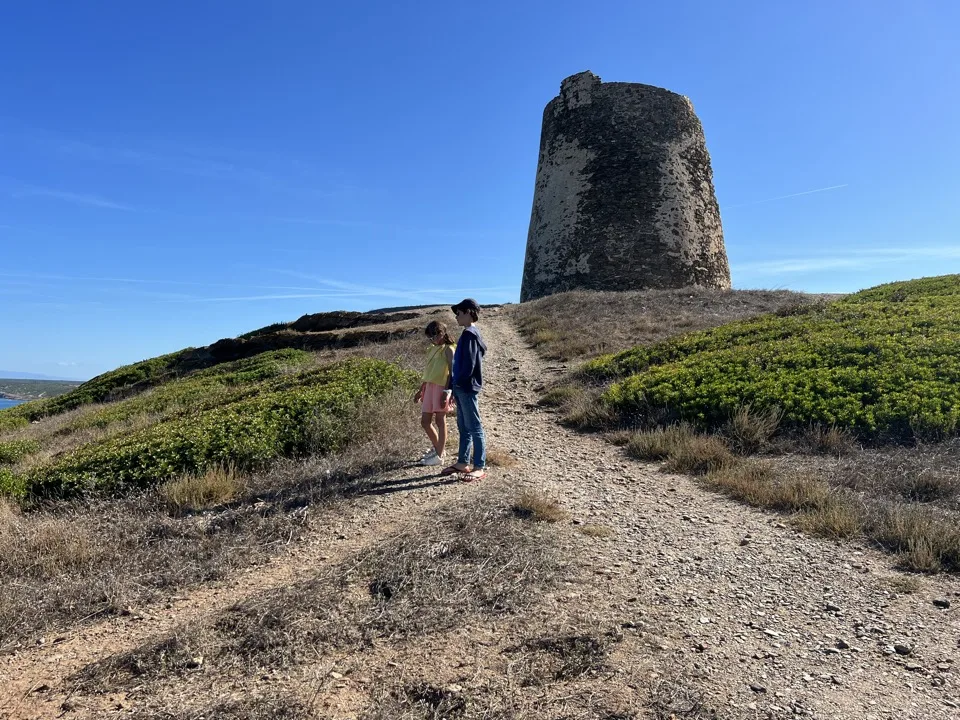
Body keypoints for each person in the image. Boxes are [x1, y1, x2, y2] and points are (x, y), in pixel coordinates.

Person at [441, 298, 488, 481]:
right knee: (463, 426)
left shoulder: (469, 334)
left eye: (459, 313)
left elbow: (468, 365)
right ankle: (462, 462)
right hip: (462, 386)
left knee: (474, 427)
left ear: (469, 312)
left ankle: (479, 466)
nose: (456, 317)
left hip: (466, 387)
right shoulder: (469, 333)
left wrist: (456, 383)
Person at [412, 320, 456, 466]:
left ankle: (438, 455)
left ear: (442, 333)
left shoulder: (449, 349)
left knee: (440, 421)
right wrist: (421, 389)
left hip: (441, 388)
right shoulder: (432, 349)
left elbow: (452, 372)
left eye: (434, 336)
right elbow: (429, 371)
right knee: (425, 421)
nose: (432, 340)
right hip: (429, 387)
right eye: (429, 338)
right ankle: (439, 448)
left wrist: (447, 391)